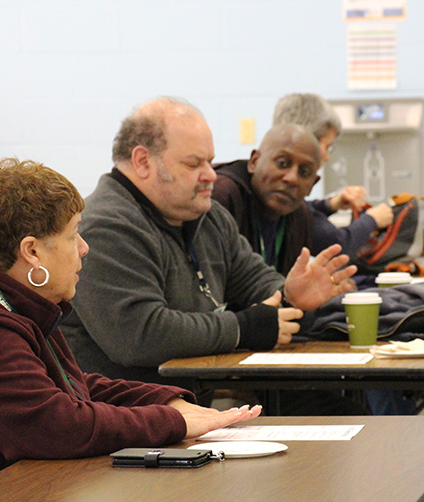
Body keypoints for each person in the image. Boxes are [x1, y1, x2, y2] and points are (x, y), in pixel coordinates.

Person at [0, 158, 261, 501]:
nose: (84, 248)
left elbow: (75, 387)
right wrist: (171, 422)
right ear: (32, 251)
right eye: (73, 234)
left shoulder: (15, 304)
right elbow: (56, 427)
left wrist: (168, 402)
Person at [60, 97, 356, 399]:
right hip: (124, 420)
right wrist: (242, 328)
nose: (211, 174)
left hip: (187, 409)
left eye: (209, 161)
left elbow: (253, 278)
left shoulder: (207, 216)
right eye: (194, 163)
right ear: (143, 161)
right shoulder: (105, 226)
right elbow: (140, 335)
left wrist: (290, 293)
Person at [272, 93, 393, 256]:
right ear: (307, 139)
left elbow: (303, 210)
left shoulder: (278, 189)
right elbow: (337, 245)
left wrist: (332, 204)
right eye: (326, 146)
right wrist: (372, 220)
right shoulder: (278, 191)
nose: (327, 157)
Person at [212, 123, 322, 275]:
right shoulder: (221, 195)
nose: (291, 179)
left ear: (313, 184)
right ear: (254, 162)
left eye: (304, 172)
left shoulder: (301, 216)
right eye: (282, 163)